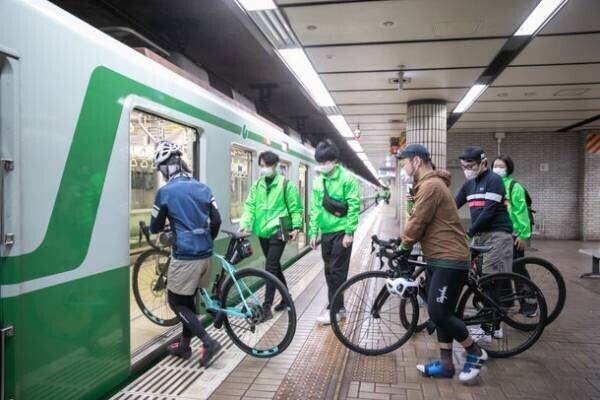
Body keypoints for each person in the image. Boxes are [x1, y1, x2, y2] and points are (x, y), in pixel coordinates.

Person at [397, 144, 487, 383]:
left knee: (438, 311)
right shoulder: (426, 186)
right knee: (441, 312)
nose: (403, 169)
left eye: (404, 163)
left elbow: (418, 222)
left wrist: (403, 246)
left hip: (450, 258)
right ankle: (446, 365)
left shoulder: (431, 186)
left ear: (416, 161)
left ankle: (475, 352)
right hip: (438, 256)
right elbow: (416, 216)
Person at [150, 140, 222, 367]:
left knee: (176, 303)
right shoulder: (203, 188)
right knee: (188, 300)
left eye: (160, 168)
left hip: (186, 257)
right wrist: (206, 240)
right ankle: (184, 346)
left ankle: (208, 341)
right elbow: (217, 220)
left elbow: (154, 227)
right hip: (205, 255)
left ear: (167, 167)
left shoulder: (165, 192)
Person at [456, 146, 514, 340]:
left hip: (497, 235)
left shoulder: (494, 181)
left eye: (470, 165)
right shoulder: (468, 185)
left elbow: (488, 212)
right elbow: (452, 205)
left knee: (490, 281)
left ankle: (492, 328)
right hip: (480, 236)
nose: (467, 170)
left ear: (483, 163)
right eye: (464, 166)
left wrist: (468, 233)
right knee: (480, 280)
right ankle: (488, 322)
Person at [239, 151, 303, 319]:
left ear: (275, 166)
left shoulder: (286, 185)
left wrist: (296, 226)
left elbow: (295, 208)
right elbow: (250, 206)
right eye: (261, 165)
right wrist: (245, 223)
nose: (264, 169)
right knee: (274, 267)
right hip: (262, 232)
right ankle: (286, 298)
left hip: (278, 231)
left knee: (270, 267)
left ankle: (266, 308)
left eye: (267, 166)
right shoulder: (257, 185)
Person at [308, 141, 361, 325]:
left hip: (341, 232)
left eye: (325, 162)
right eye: (320, 163)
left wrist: (349, 232)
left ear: (334, 161)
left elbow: (354, 205)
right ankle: (340, 307)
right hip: (326, 233)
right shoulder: (318, 181)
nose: (322, 166)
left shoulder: (347, 179)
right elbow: (314, 208)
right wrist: (313, 232)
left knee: (337, 272)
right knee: (329, 271)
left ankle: (334, 310)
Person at [493, 155, 537, 317]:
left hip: (514, 235)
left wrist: (523, 235)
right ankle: (506, 302)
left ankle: (529, 303)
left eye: (501, 166)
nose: (497, 169)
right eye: (495, 166)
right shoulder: (493, 185)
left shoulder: (514, 186)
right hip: (498, 235)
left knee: (517, 270)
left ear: (508, 168)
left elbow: (521, 212)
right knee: (501, 270)